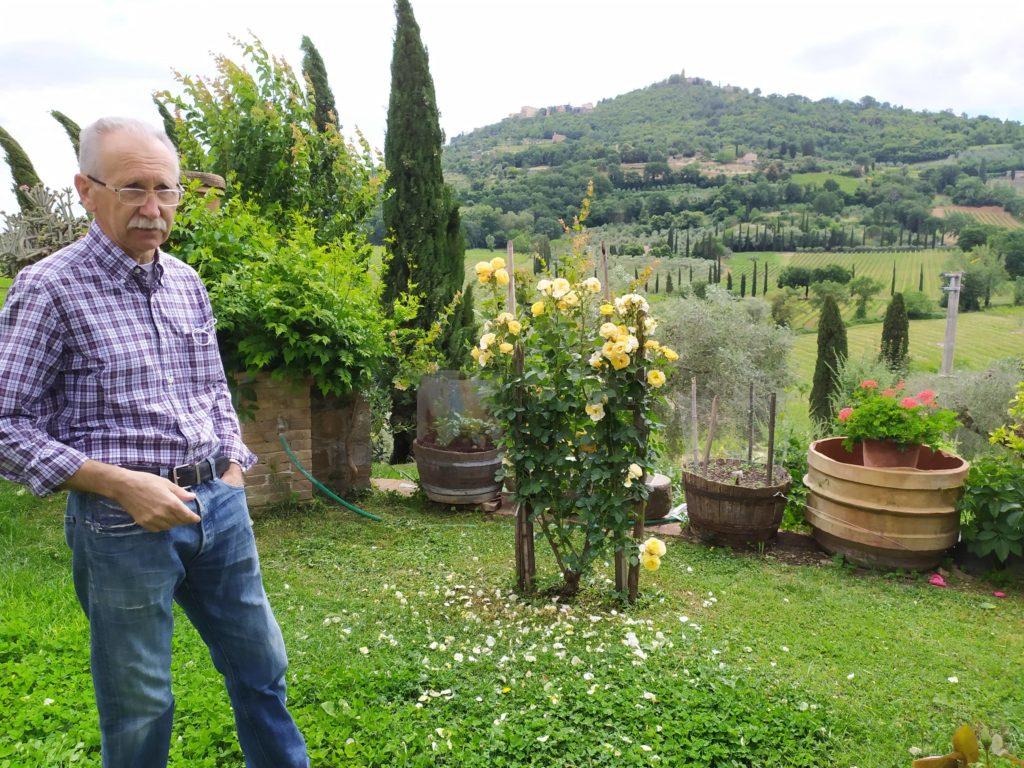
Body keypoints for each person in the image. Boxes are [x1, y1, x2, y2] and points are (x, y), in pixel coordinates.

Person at [0, 117, 309, 767]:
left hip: (218, 509)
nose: (152, 208)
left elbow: (213, 388)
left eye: (165, 190)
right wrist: (117, 483)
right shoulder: (49, 289)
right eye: (133, 188)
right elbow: (5, 424)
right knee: (140, 703)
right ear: (87, 190)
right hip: (118, 523)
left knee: (263, 669)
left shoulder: (186, 282)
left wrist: (230, 467)